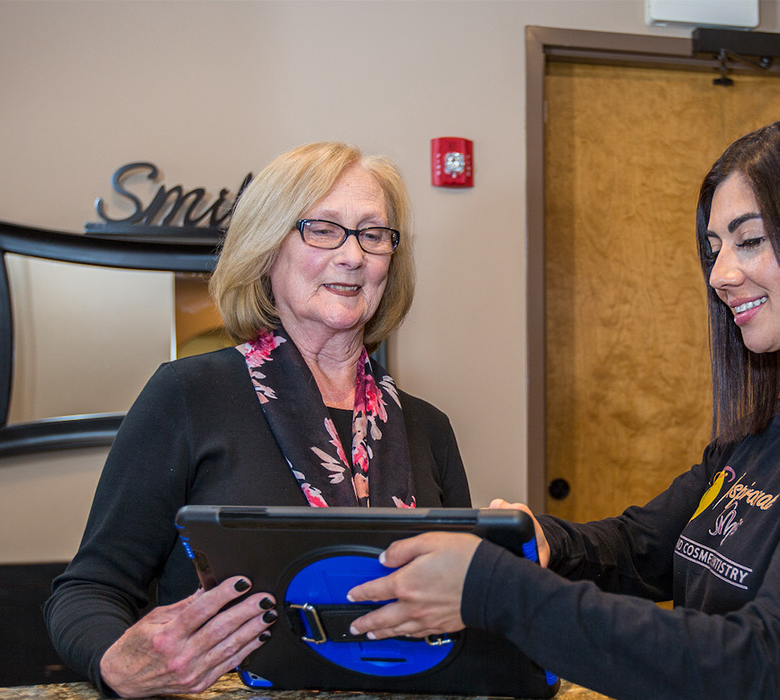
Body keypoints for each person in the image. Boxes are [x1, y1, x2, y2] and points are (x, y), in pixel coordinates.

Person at [348, 112, 780, 700]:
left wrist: (496, 590)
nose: (720, 275)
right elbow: (642, 549)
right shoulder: (763, 434)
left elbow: (770, 666)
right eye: (715, 247)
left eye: (749, 240)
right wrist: (541, 541)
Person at [44, 142, 473, 698]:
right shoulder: (188, 395)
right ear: (267, 249)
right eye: (322, 228)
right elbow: (87, 589)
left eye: (372, 234)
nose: (352, 255)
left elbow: (468, 598)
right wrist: (115, 663)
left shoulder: (427, 426)